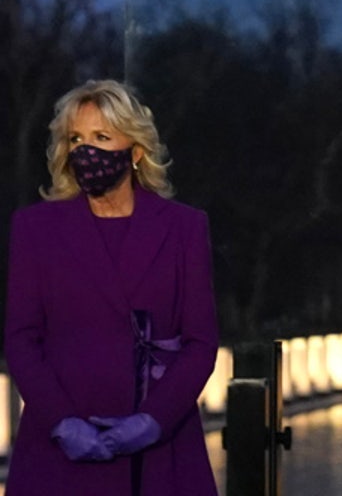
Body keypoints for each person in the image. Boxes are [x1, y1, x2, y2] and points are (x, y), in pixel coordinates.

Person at [4, 79, 219, 496]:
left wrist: (151, 421)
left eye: (102, 137)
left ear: (136, 151)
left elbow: (201, 342)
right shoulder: (34, 229)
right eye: (75, 139)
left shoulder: (184, 228)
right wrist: (63, 422)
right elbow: (20, 339)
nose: (86, 151)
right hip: (60, 448)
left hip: (160, 446)